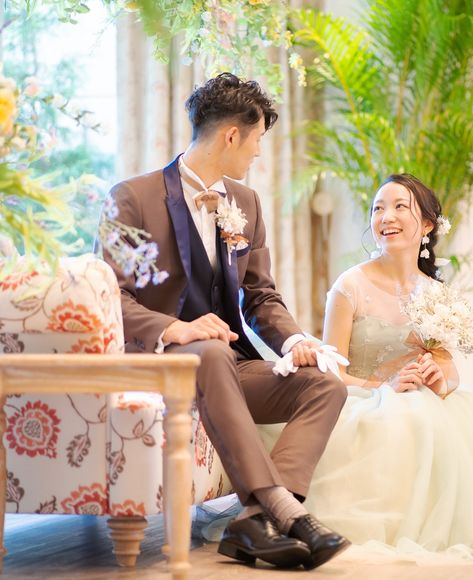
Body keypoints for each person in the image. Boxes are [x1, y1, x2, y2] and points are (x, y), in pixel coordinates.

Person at [262, 173, 473, 564]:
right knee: (408, 423)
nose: (386, 217)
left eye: (400, 206)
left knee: (450, 429)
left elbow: (450, 372)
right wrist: (383, 386)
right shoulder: (350, 286)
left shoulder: (436, 293)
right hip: (360, 401)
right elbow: (331, 373)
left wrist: (438, 378)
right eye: (378, 208)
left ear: (427, 225)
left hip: (423, 400)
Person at [102, 73, 350, 570]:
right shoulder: (132, 197)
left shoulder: (246, 202)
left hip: (225, 364)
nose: (258, 152)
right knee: (211, 351)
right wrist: (176, 329)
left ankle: (253, 520)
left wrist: (296, 341)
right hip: (161, 364)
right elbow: (111, 296)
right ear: (232, 135)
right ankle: (285, 512)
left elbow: (260, 295)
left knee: (325, 384)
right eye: (257, 139)